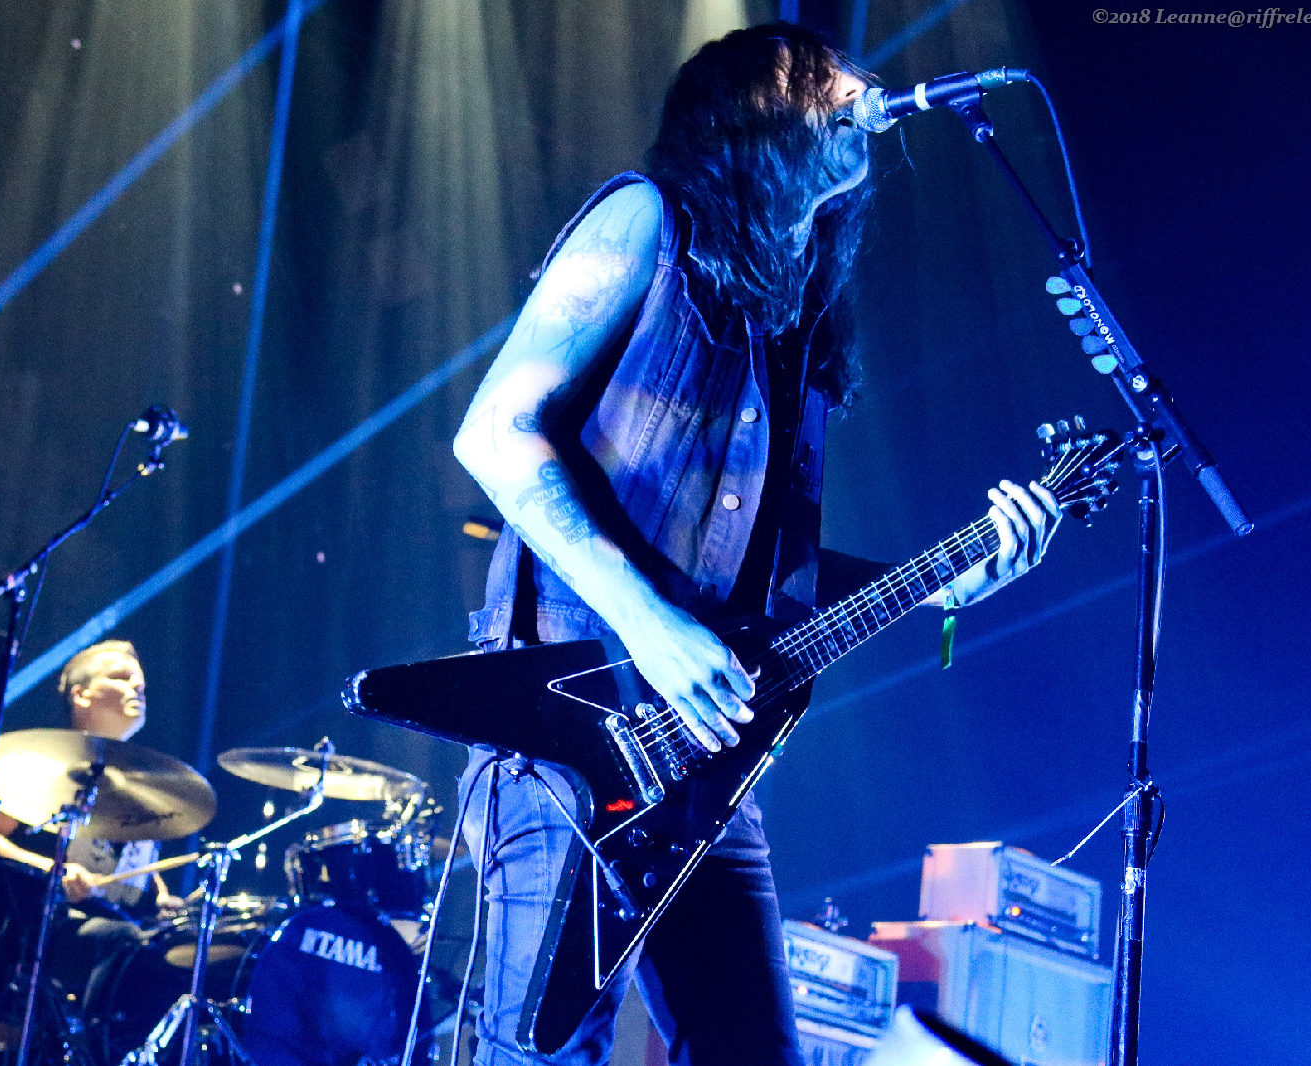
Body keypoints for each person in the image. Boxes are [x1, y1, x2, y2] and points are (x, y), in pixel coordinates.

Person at [449, 23, 1060, 1066]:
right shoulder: (645, 221)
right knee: (540, 1053)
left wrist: (948, 582)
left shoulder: (795, 332)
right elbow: (494, 434)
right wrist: (652, 627)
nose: (860, 90)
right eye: (825, 79)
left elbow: (777, 585)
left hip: (702, 770)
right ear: (747, 110)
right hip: (565, 731)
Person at [0, 640, 182, 1015]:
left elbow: (132, 866)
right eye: (121, 677)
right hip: (48, 926)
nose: (137, 687)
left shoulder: (142, 786)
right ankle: (92, 1042)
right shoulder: (48, 766)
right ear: (81, 695)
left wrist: (161, 896)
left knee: (178, 951)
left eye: (140, 682)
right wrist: (54, 870)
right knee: (124, 941)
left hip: (123, 923)